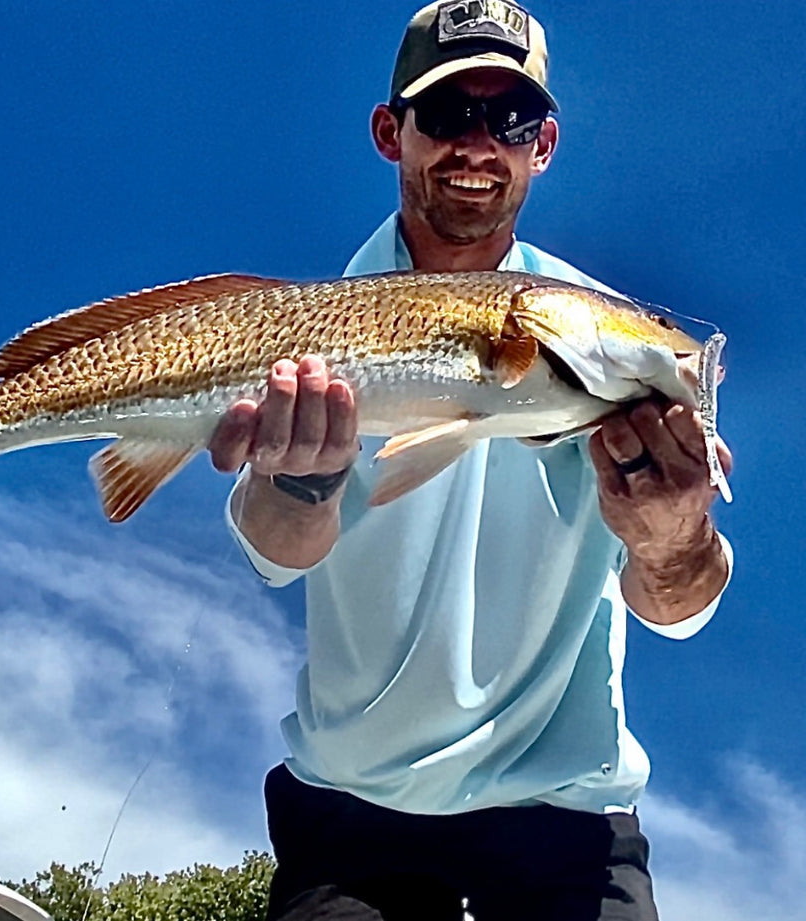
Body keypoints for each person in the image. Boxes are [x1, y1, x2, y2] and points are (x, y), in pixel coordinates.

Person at [208, 2, 733, 919]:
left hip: (567, 814)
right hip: (352, 813)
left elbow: (677, 608)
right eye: (449, 116)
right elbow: (277, 550)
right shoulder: (313, 333)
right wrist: (300, 478)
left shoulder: (615, 351)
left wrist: (670, 537)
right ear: (390, 132)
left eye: (511, 121)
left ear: (545, 144)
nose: (478, 147)